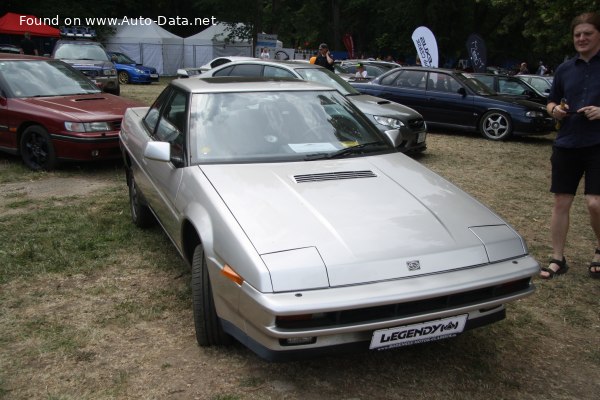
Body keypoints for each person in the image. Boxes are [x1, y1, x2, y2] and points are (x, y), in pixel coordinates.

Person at [541, 11, 600, 280]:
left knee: (595, 203)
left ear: (598, 34)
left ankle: (599, 249)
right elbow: (551, 101)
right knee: (561, 201)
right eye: (577, 34)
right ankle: (557, 258)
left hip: (597, 143)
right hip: (567, 142)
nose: (582, 38)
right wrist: (555, 110)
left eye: (587, 33)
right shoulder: (565, 69)